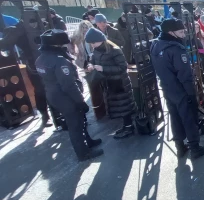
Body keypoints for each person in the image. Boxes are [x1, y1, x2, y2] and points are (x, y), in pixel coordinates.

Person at [35, 29, 103, 161]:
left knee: (80, 121)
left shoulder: (40, 59)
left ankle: (88, 142)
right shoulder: (60, 61)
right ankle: (83, 153)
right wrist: (80, 102)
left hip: (53, 96)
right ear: (57, 46)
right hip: (66, 98)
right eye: (65, 45)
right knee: (75, 125)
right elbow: (68, 85)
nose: (67, 47)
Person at [150, 19, 204, 160]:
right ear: (171, 32)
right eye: (181, 32)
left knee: (175, 117)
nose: (184, 34)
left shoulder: (155, 45)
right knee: (189, 117)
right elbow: (184, 74)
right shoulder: (176, 49)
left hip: (167, 87)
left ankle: (180, 146)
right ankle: (195, 147)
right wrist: (191, 93)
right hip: (181, 89)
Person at [0, 10, 52, 127]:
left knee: (52, 87)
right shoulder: (18, 27)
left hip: (47, 60)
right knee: (40, 90)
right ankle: (45, 115)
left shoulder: (43, 25)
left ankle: (57, 114)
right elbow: (6, 43)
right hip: (32, 63)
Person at [85, 28, 137, 139]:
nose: (92, 45)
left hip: (119, 83)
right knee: (117, 106)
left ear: (101, 40)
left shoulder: (114, 50)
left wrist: (103, 68)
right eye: (91, 43)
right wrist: (91, 66)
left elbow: (122, 67)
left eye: (93, 42)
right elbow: (94, 61)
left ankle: (129, 127)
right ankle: (126, 126)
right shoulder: (97, 50)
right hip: (108, 83)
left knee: (124, 106)